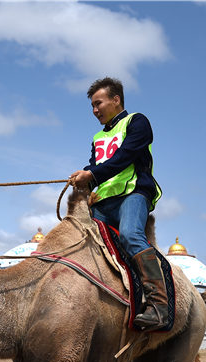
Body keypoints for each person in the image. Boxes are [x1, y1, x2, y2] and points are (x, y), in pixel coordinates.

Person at [69, 76, 168, 331]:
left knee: (130, 235)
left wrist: (92, 174)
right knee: (78, 242)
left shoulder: (137, 121)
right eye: (92, 105)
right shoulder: (97, 137)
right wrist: (84, 177)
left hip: (133, 194)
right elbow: (95, 167)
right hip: (103, 201)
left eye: (98, 103)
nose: (94, 110)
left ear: (116, 100)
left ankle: (159, 306)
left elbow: (126, 156)